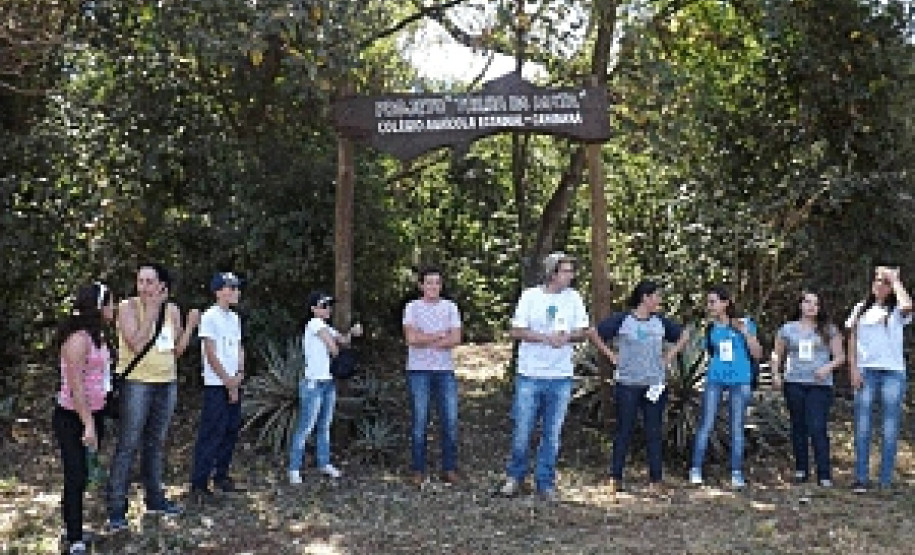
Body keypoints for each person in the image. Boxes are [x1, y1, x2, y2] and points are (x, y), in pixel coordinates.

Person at [106, 263, 200, 531]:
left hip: (166, 382)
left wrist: (190, 326)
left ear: (162, 285)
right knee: (128, 444)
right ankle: (116, 509)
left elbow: (177, 350)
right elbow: (135, 343)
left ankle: (156, 500)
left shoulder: (173, 310)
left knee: (156, 443)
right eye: (141, 281)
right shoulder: (127, 308)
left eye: (150, 282)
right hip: (137, 383)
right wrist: (152, 310)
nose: (144, 287)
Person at [498, 252, 589, 502]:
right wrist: (544, 338)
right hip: (530, 373)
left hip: (561, 375)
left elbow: (583, 330)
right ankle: (514, 477)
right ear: (552, 273)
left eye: (572, 271)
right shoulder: (530, 297)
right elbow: (516, 330)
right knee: (523, 429)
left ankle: (545, 482)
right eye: (565, 271)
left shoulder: (574, 298)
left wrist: (567, 337)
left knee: (552, 433)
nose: (570, 276)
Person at [590, 280, 689, 494]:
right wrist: (611, 355)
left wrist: (669, 356)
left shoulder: (661, 322)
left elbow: (684, 335)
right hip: (627, 385)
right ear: (645, 297)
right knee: (623, 430)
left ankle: (656, 480)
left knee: (654, 431)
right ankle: (615, 477)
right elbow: (594, 333)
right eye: (656, 296)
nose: (659, 301)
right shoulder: (623, 320)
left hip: (654, 385)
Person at [53, 283, 114, 554]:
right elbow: (76, 386)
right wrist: (87, 423)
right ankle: (74, 537)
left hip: (95, 412)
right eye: (110, 303)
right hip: (72, 417)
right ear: (99, 306)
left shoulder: (96, 334)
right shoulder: (78, 339)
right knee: (75, 474)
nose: (113, 308)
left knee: (84, 474)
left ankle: (74, 526)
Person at [845, 266, 912, 492]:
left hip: (893, 372)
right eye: (877, 280)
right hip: (866, 372)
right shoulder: (860, 309)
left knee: (889, 427)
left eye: (884, 282)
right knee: (863, 426)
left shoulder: (897, 311)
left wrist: (895, 279)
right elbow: (852, 340)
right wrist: (853, 369)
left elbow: (907, 306)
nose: (879, 285)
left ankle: (885, 480)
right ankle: (861, 478)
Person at [689, 285, 762, 489]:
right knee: (706, 424)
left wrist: (746, 333)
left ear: (725, 303)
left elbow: (757, 353)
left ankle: (736, 472)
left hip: (741, 380)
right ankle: (695, 469)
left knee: (737, 426)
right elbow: (711, 354)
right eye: (708, 302)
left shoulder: (745, 323)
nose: (710, 306)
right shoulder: (711, 328)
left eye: (713, 302)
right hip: (715, 379)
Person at [771, 290, 844, 487]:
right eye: (808, 302)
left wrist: (827, 367)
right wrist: (776, 374)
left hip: (819, 385)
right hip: (794, 382)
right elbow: (777, 354)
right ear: (800, 305)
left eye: (816, 303)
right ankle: (801, 469)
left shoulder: (828, 329)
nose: (812, 306)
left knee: (817, 426)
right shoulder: (787, 329)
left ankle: (824, 473)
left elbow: (840, 357)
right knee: (798, 426)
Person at [288, 291, 362, 484]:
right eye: (323, 305)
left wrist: (352, 334)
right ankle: (294, 468)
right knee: (306, 427)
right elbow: (335, 348)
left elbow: (343, 340)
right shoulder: (314, 324)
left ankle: (324, 462)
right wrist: (339, 345)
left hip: (327, 382)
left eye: (329, 305)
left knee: (324, 426)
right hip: (313, 384)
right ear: (313, 309)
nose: (327, 309)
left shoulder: (325, 327)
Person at [402, 267, 462, 486]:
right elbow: (410, 338)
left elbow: (456, 338)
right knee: (420, 421)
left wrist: (424, 338)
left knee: (450, 420)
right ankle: (418, 469)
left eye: (437, 283)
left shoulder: (450, 307)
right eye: (429, 283)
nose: (433, 287)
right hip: (418, 370)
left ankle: (449, 468)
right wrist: (438, 336)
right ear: (421, 285)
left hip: (445, 371)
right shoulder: (412, 308)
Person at [189, 272, 245, 503]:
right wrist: (226, 380)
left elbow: (240, 348)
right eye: (231, 288)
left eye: (236, 288)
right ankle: (199, 482)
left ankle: (221, 475)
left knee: (231, 430)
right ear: (219, 291)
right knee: (211, 432)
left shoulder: (235, 318)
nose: (235, 292)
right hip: (215, 384)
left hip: (233, 382)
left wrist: (239, 375)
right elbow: (210, 353)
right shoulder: (210, 316)